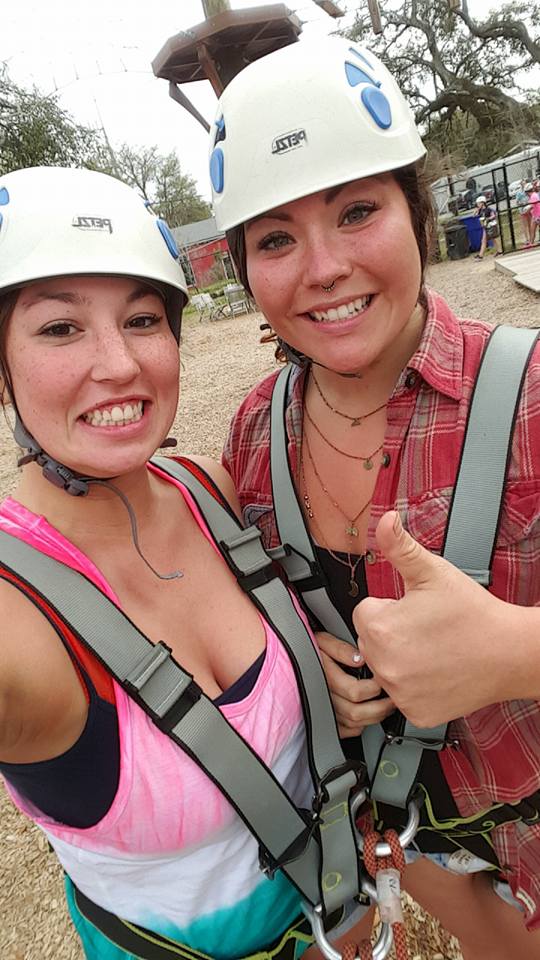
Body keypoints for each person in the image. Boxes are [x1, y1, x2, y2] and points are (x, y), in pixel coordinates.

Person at [212, 36, 540, 960]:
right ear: (245, 268)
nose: (322, 267)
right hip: (417, 834)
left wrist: (516, 652)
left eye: (357, 211)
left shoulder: (530, 395)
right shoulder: (251, 435)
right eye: (276, 237)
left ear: (417, 212)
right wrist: (297, 658)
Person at [0, 166, 368, 960]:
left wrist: (312, 677)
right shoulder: (15, 617)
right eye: (60, 329)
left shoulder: (208, 486)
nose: (120, 364)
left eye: (142, 320)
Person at [473, 195, 500, 259]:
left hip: (490, 226)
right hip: (485, 227)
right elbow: (474, 216)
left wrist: (488, 219)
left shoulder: (488, 209)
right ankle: (481, 255)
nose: (478, 205)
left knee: (494, 239)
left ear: (482, 203)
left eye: (479, 203)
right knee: (484, 240)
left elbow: (493, 215)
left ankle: (499, 251)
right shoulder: (480, 211)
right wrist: (476, 211)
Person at [515, 181, 534, 245]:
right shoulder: (519, 193)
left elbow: (531, 198)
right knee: (524, 225)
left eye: (525, 183)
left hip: (529, 209)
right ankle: (527, 239)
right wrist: (522, 204)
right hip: (522, 210)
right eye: (523, 184)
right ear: (521, 185)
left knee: (530, 224)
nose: (524, 184)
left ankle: (531, 238)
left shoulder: (529, 191)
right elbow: (517, 202)